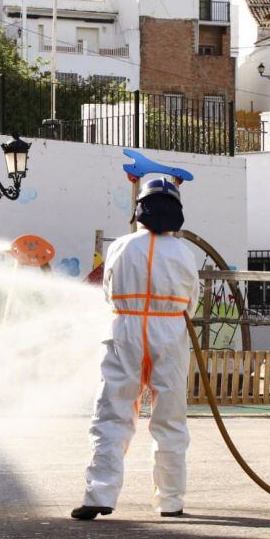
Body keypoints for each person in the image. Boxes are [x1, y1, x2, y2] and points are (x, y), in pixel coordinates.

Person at [72, 174, 200, 520]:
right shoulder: (185, 254)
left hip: (124, 330)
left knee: (112, 413)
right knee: (169, 420)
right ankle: (171, 502)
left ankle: (99, 494)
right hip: (170, 333)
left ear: (139, 211)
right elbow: (192, 302)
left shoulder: (120, 247)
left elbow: (108, 292)